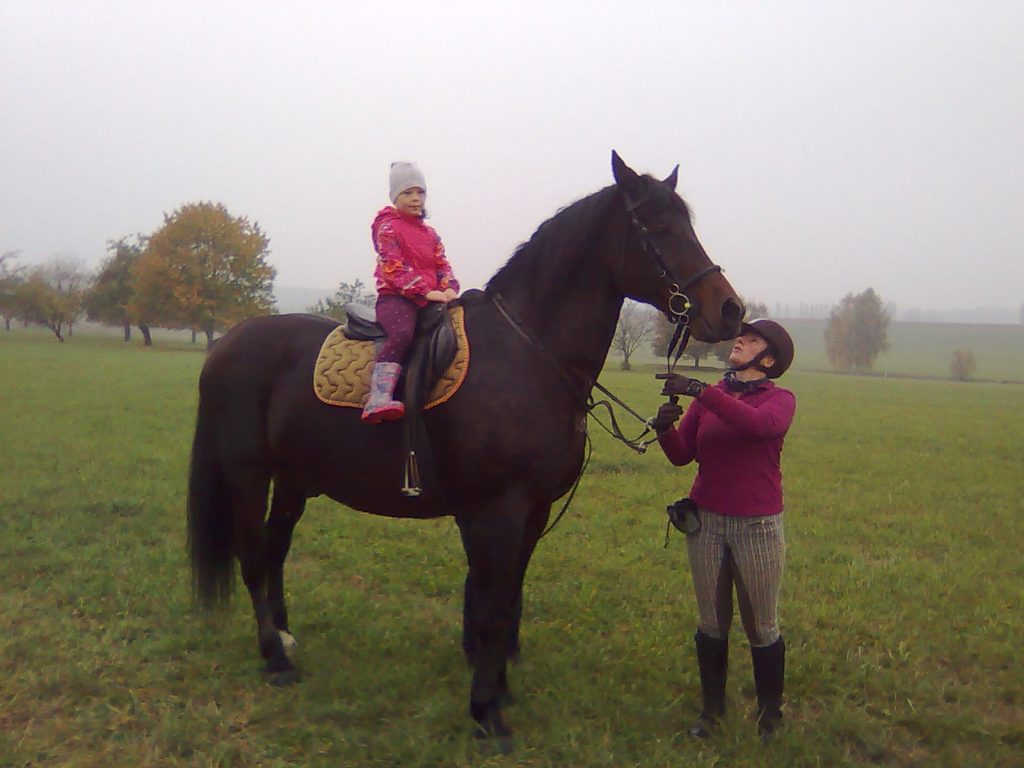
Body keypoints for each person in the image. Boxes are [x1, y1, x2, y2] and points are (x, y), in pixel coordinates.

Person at [651, 319, 796, 741]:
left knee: (761, 625)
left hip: (758, 527)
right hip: (707, 523)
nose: (740, 341)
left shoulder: (780, 399)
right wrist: (664, 428)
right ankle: (712, 712)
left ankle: (770, 717)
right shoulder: (711, 398)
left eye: (752, 341)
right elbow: (682, 455)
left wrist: (702, 391)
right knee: (711, 622)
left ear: (767, 360)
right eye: (741, 337)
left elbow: (760, 427)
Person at [362, 161, 460, 423]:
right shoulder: (388, 229)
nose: (416, 198)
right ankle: (378, 397)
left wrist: (449, 286)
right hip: (396, 298)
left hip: (431, 298)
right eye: (407, 193)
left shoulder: (431, 234)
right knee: (402, 334)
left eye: (420, 192)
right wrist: (425, 291)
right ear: (395, 197)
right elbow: (393, 269)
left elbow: (442, 265)